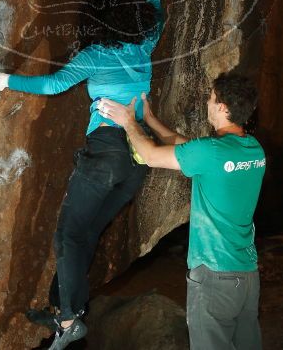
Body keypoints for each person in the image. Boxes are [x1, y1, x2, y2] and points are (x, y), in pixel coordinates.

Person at [0, 0, 164, 350]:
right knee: (86, 234)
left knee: (69, 235)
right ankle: (65, 307)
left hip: (105, 153)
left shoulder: (96, 54)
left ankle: (68, 321)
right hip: (136, 163)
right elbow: (157, 19)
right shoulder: (144, 45)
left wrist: (4, 80)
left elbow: (54, 85)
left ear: (95, 21)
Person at [98, 73, 265, 350]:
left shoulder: (210, 152)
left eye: (211, 98)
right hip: (246, 276)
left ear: (223, 107)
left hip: (214, 275)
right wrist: (150, 120)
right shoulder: (253, 151)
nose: (207, 102)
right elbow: (186, 147)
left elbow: (150, 155)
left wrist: (128, 121)